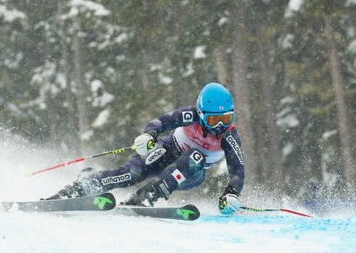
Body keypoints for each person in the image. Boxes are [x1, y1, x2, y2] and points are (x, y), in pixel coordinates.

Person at [47, 82, 245, 214]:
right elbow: (163, 121)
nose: (219, 125)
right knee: (132, 172)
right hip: (168, 150)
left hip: (191, 173)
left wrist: (231, 193)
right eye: (213, 119)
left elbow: (237, 168)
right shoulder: (190, 115)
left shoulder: (228, 135)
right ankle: (83, 186)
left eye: (226, 118)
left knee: (195, 157)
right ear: (201, 113)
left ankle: (148, 195)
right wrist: (149, 135)